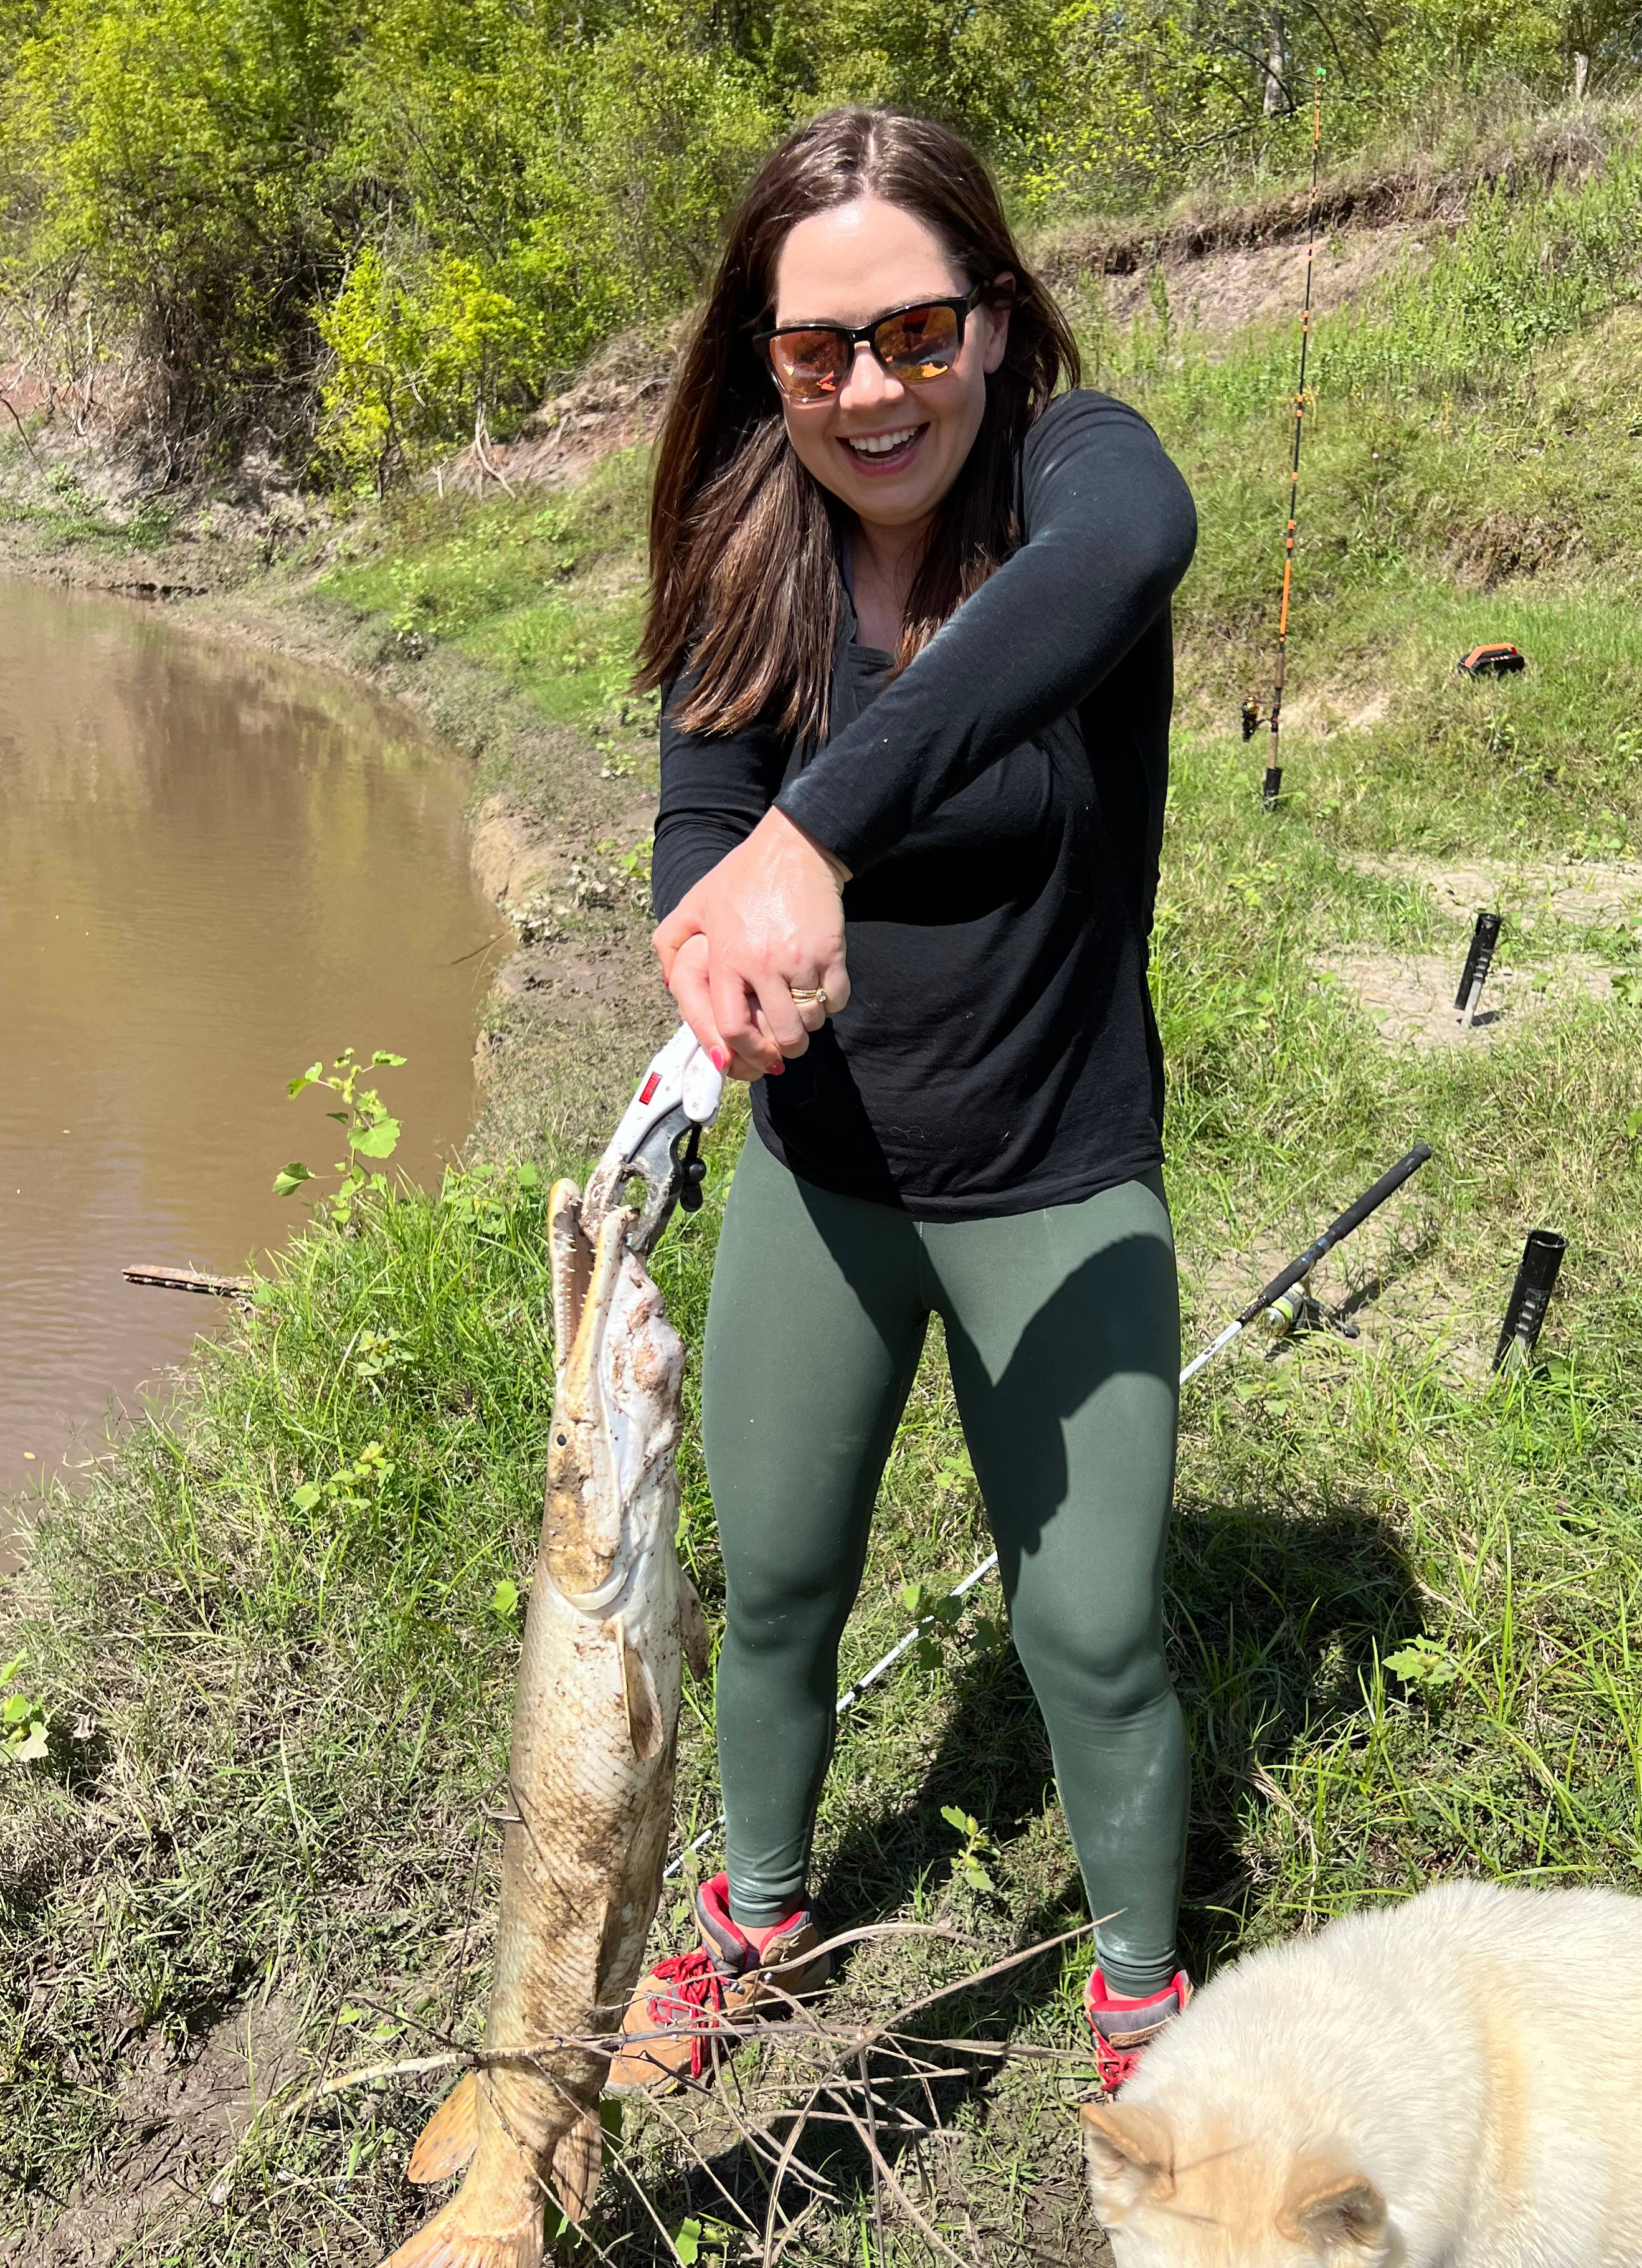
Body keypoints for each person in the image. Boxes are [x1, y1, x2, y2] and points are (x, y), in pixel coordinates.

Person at [605, 105, 1198, 2099]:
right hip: (830, 1177)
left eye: (918, 335)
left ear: (999, 320)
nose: (870, 392)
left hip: (1055, 1170)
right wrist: (722, 938)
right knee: (771, 1583)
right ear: (760, 363)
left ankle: (1135, 1980)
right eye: (814, 353)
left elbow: (1137, 551)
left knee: (1094, 1629)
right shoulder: (741, 541)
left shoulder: (1074, 479)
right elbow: (704, 818)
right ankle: (758, 1907)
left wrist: (819, 834)